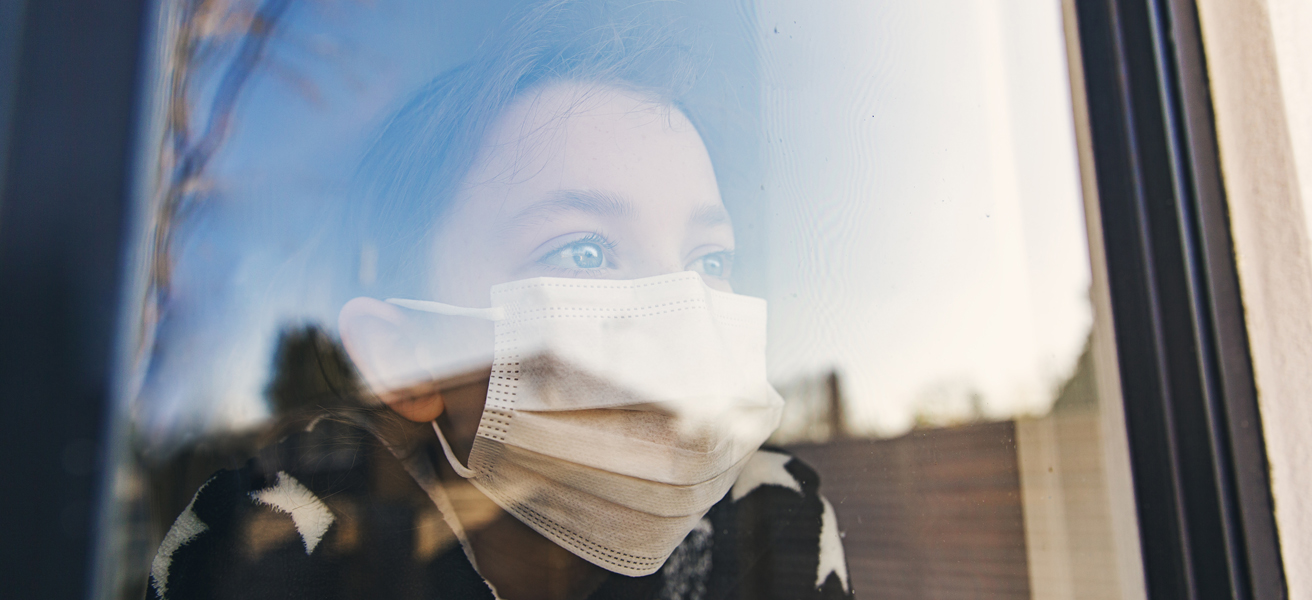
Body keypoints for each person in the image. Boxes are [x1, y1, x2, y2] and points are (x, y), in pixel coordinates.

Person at [146, 2, 852, 599]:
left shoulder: (774, 522)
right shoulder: (276, 545)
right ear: (406, 357)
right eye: (585, 251)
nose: (685, 313)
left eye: (709, 259)